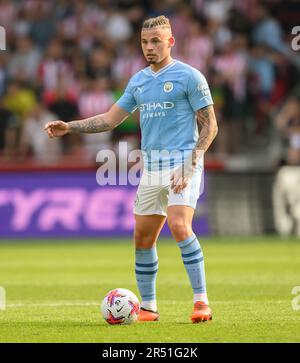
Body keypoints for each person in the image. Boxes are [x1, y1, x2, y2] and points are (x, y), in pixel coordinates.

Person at [45, 15, 218, 323]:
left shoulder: (190, 77)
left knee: (179, 225)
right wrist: (69, 126)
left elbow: (210, 127)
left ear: (170, 42)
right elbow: (111, 119)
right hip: (151, 168)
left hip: (183, 163)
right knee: (142, 237)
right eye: (144, 42)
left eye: (155, 41)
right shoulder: (138, 81)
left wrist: (191, 165)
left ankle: (201, 301)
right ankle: (149, 308)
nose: (149, 47)